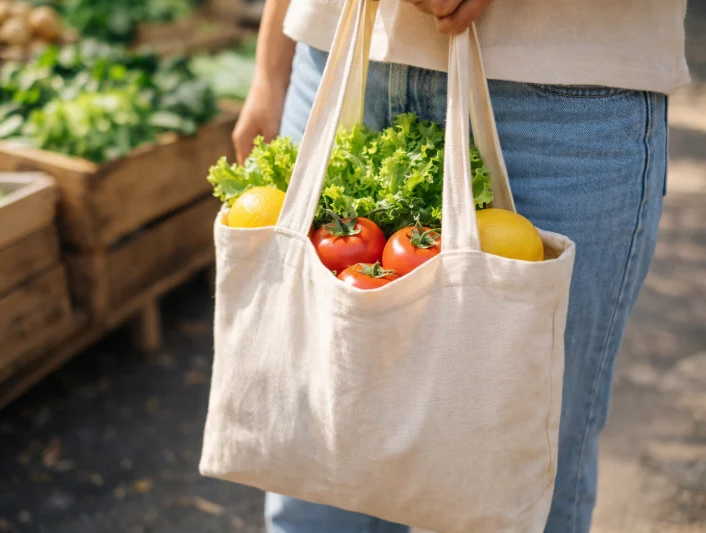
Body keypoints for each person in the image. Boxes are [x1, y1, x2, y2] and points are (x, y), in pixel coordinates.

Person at [232, 0, 689, 532]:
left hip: (559, 96)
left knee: (516, 484)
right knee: (308, 481)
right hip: (331, 53)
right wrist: (270, 69)